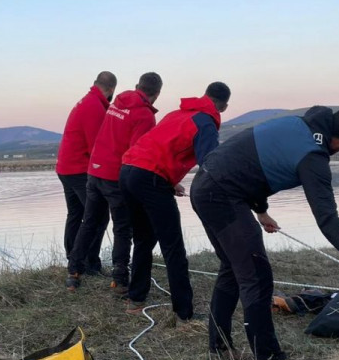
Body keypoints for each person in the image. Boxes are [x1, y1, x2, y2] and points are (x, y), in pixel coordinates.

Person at [189, 106, 339, 360]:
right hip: (221, 195)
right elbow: (327, 218)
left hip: (205, 184)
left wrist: (260, 211)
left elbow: (254, 163)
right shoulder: (313, 157)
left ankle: (220, 347)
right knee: (257, 277)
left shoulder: (300, 124)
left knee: (233, 268)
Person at [119, 82, 231, 324]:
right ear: (223, 106)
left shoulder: (177, 114)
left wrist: (168, 181)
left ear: (205, 95)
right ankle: (184, 314)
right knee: (173, 247)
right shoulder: (206, 122)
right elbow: (211, 165)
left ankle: (135, 301)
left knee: (143, 239)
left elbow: (159, 148)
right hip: (148, 176)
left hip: (127, 171)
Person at [66, 72, 162, 292]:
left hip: (94, 171)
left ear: (138, 86)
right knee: (122, 228)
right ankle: (119, 278)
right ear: (157, 94)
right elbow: (136, 152)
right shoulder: (145, 116)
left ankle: (73, 273)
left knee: (89, 222)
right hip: (113, 176)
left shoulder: (119, 101)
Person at [55, 71, 117, 273]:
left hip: (66, 167)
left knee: (76, 213)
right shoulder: (94, 107)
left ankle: (73, 257)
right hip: (78, 170)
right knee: (98, 217)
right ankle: (89, 263)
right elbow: (96, 148)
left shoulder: (86, 101)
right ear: (110, 90)